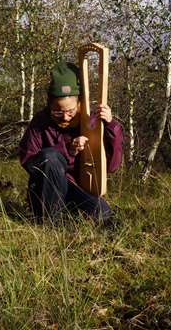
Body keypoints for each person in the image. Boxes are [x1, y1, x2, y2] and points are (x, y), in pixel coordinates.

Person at [19, 61, 123, 223]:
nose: (65, 117)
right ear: (49, 104)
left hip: (76, 189)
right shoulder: (40, 121)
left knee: (102, 213)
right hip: (46, 192)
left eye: (70, 111)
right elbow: (28, 160)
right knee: (50, 156)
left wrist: (111, 126)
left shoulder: (92, 122)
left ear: (80, 103)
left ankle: (66, 219)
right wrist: (69, 151)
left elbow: (112, 166)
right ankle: (48, 224)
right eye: (58, 112)